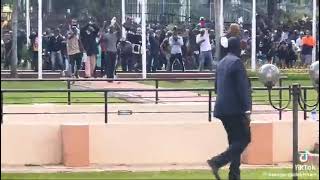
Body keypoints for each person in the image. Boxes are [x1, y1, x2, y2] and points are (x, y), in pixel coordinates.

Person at [207, 37, 252, 180]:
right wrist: (247, 109)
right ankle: (217, 161)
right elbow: (242, 88)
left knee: (235, 143)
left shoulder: (221, 62)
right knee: (244, 139)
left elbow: (216, 87)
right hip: (235, 110)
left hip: (222, 109)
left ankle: (234, 175)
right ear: (238, 48)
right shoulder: (237, 62)